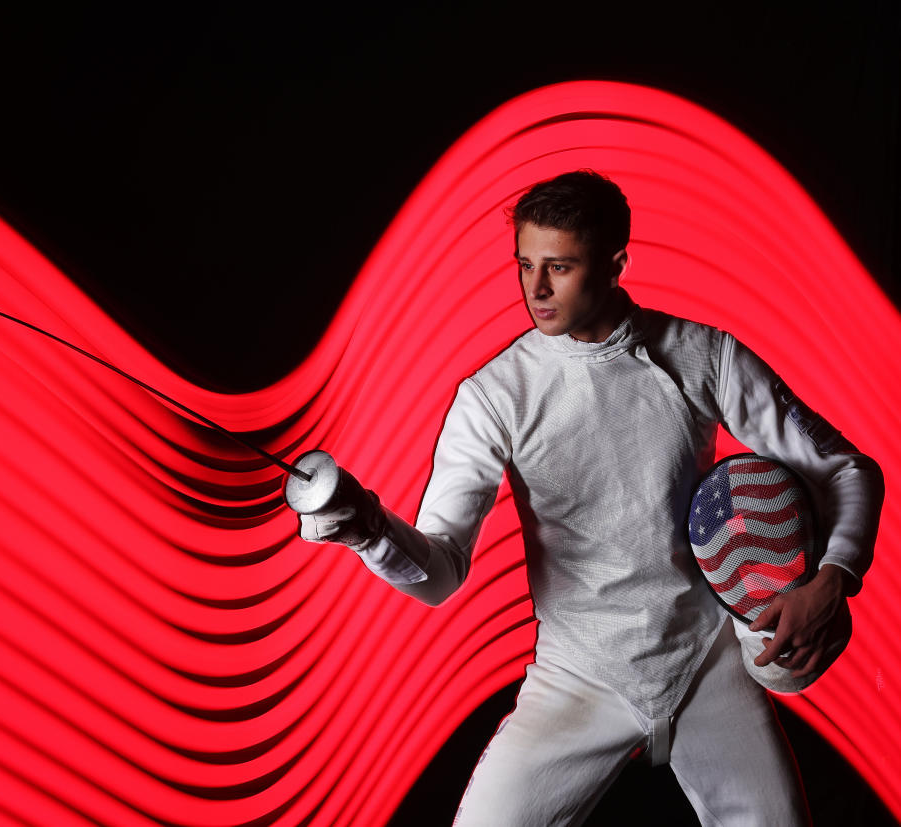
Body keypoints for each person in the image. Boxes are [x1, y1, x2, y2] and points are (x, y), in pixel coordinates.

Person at [293, 170, 884, 825]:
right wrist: (367, 529)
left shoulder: (701, 355)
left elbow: (846, 468)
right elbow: (440, 572)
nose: (536, 289)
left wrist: (835, 576)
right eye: (525, 264)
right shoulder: (495, 396)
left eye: (560, 267)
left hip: (704, 660)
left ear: (615, 264)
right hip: (580, 670)